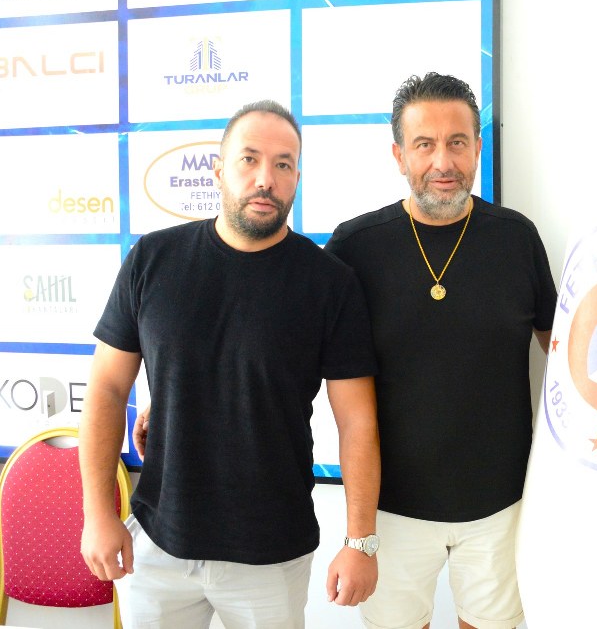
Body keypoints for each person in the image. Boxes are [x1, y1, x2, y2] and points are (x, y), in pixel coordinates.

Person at [79, 99, 382, 629]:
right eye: (249, 159)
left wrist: (361, 541)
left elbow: (357, 420)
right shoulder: (153, 259)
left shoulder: (329, 283)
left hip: (273, 554)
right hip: (157, 544)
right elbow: (105, 387)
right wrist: (98, 513)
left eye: (284, 164)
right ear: (218, 170)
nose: (266, 178)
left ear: (297, 178)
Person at [326, 72, 558, 629]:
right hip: (390, 509)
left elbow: (565, 357)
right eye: (424, 144)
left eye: (457, 142)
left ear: (477, 147)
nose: (443, 162)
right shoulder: (355, 247)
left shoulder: (517, 238)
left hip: (502, 504)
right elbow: (287, 354)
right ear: (399, 155)